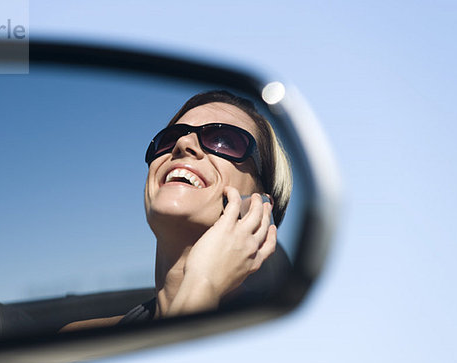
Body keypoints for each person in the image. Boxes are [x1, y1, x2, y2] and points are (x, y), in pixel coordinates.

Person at [60, 90, 292, 331]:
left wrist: (204, 282)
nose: (183, 144)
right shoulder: (77, 340)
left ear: (261, 205)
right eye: (169, 139)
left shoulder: (280, 334)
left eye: (224, 140)